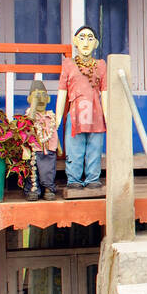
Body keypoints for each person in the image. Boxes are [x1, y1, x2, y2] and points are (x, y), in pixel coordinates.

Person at [55, 25, 107, 189]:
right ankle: (74, 179)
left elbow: (104, 91)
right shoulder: (68, 64)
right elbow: (62, 91)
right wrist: (57, 118)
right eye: (82, 38)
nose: (86, 42)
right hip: (76, 113)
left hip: (96, 113)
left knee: (94, 147)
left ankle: (93, 178)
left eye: (90, 38)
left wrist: (108, 116)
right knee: (74, 147)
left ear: (96, 43)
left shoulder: (100, 65)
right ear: (75, 42)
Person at [23, 80, 59, 201]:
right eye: (37, 96)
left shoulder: (50, 116)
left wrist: (59, 146)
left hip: (49, 148)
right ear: (29, 99)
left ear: (48, 99)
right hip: (35, 148)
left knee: (48, 170)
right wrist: (34, 104)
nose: (40, 99)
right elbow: (29, 122)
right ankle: (33, 190)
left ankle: (48, 188)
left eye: (44, 96)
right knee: (33, 170)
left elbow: (53, 131)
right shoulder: (30, 114)